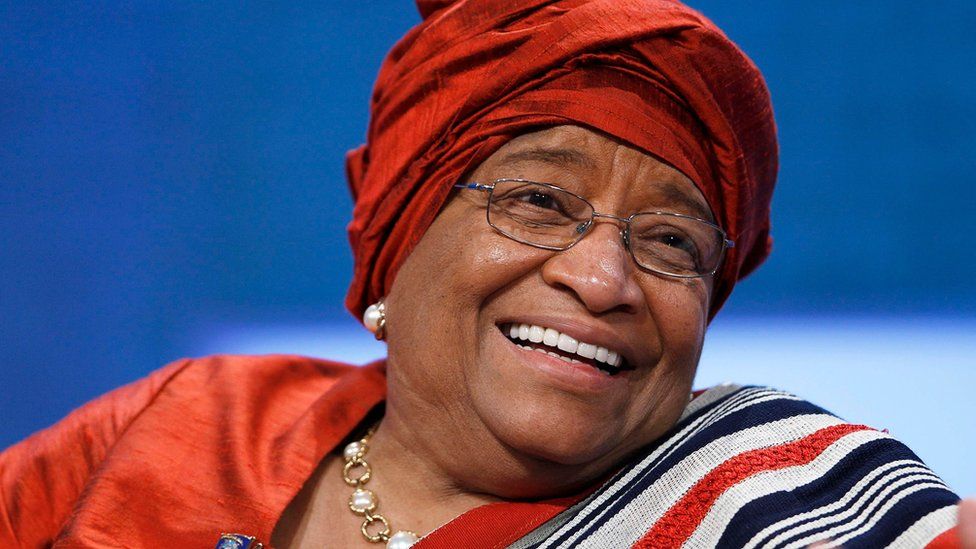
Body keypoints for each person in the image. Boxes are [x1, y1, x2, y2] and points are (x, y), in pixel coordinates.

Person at [1, 1, 972, 547]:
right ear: (400, 233)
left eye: (672, 243)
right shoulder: (194, 422)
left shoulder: (772, 492)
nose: (603, 279)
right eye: (539, 201)